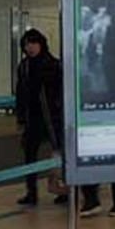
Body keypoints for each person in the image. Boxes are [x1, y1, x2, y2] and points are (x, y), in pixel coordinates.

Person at [14, 28, 69, 207]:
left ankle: (64, 191)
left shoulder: (53, 65)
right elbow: (21, 95)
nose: (30, 48)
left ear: (41, 44)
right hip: (33, 118)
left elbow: (62, 92)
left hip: (52, 118)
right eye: (26, 44)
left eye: (33, 43)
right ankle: (31, 192)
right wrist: (20, 118)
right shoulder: (24, 66)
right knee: (29, 155)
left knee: (59, 155)